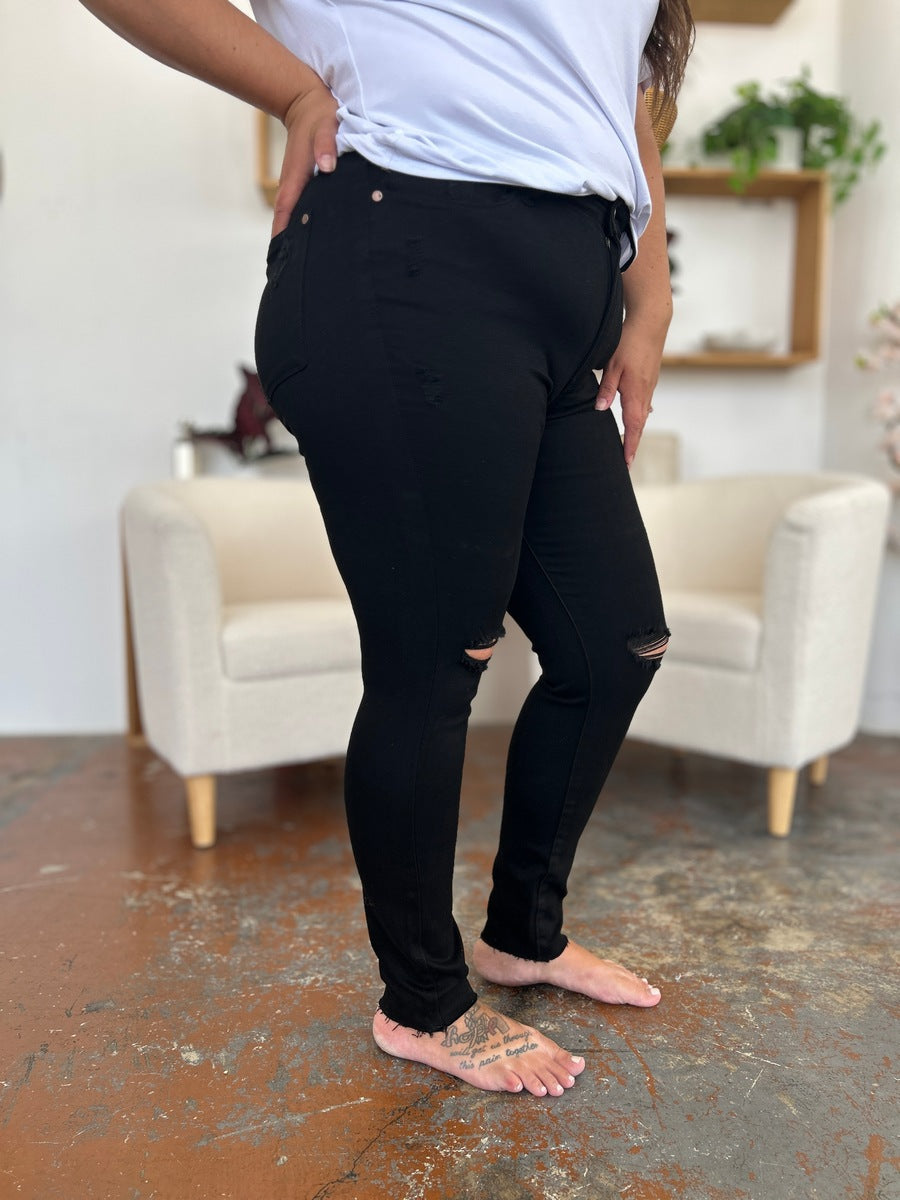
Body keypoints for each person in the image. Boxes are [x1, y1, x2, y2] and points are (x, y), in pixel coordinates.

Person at [78, 0, 693, 1098]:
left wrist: (648, 299)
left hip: (569, 290)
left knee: (617, 645)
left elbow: (612, 94)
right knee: (434, 660)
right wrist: (297, 89)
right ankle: (422, 1001)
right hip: (406, 259)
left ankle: (523, 936)